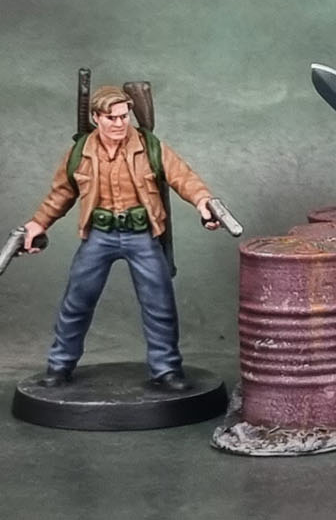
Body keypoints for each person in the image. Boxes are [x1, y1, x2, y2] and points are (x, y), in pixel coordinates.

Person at [21, 85, 221, 390]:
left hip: (142, 235)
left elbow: (184, 177)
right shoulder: (80, 152)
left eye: (124, 116)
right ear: (96, 118)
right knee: (77, 301)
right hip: (99, 235)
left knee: (159, 305)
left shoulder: (150, 147)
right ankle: (59, 366)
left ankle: (166, 369)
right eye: (111, 117)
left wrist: (204, 203)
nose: (119, 123)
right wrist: (38, 223)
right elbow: (61, 193)